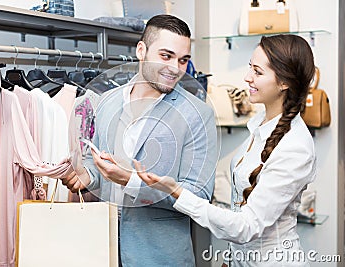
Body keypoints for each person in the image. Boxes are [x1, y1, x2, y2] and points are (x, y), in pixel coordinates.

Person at [134, 34, 316, 266]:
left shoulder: (295, 147)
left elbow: (247, 227)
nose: (247, 78)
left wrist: (177, 192)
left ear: (284, 82)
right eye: (250, 67)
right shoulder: (260, 124)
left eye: (258, 72)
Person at [62, 14, 217, 266]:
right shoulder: (107, 102)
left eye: (183, 60)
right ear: (141, 50)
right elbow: (96, 163)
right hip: (102, 250)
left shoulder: (197, 115)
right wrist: (87, 177)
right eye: (166, 56)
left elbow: (198, 196)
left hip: (159, 257)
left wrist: (130, 181)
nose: (175, 68)